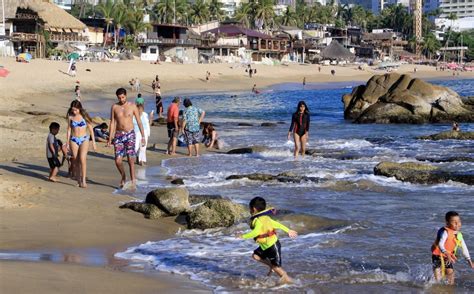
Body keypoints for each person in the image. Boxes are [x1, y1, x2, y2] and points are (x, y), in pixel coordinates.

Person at [238, 197, 298, 284]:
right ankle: (272, 266)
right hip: (265, 246)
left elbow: (256, 232)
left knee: (277, 268)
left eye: (249, 208)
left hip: (273, 246)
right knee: (255, 256)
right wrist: (288, 230)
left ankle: (292, 283)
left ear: (253, 209)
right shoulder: (265, 217)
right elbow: (277, 224)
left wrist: (243, 236)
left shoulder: (258, 220)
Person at [108, 88, 146, 188]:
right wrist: (109, 138)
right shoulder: (114, 107)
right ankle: (123, 176)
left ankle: (133, 180)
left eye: (123, 97)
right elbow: (112, 122)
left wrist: (143, 136)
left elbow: (139, 122)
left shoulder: (132, 106)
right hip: (118, 135)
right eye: (119, 98)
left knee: (131, 159)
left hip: (130, 134)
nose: (121, 99)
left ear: (126, 95)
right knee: (118, 160)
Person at [431, 211, 473, 285]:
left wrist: (469, 261)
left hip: (448, 257)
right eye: (454, 222)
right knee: (437, 279)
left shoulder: (459, 235)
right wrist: (446, 253)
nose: (457, 224)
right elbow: (441, 244)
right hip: (438, 255)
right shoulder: (445, 232)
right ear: (447, 223)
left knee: (450, 275)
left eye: (459, 221)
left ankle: (449, 289)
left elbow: (465, 249)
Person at [66, 100, 96, 188]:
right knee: (76, 159)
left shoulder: (84, 116)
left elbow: (91, 129)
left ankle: (83, 180)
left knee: (83, 159)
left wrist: (93, 142)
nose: (74, 111)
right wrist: (67, 142)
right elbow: (68, 130)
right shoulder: (70, 117)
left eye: (76, 110)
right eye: (72, 110)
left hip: (84, 139)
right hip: (74, 139)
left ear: (79, 108)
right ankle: (78, 180)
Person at [133, 99, 152, 165]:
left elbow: (148, 124)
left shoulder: (145, 114)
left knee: (143, 147)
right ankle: (134, 157)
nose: (140, 111)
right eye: (139, 109)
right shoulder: (133, 116)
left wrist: (151, 118)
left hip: (144, 132)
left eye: (141, 109)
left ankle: (142, 160)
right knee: (135, 147)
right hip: (136, 132)